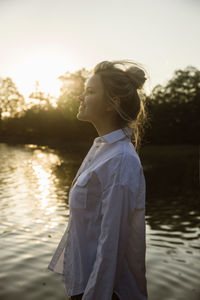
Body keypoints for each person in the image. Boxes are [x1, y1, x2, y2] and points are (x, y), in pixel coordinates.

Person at [48, 59, 149, 300]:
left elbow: (111, 247)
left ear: (113, 103)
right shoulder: (102, 150)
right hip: (85, 284)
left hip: (103, 292)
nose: (81, 97)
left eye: (91, 92)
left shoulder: (120, 160)